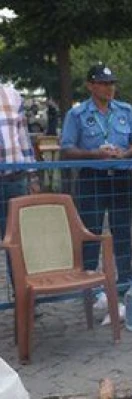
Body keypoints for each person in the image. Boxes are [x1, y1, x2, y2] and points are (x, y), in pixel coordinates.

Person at [60, 64, 132, 287]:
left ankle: (125, 281)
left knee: (122, 231)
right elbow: (67, 148)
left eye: (111, 83)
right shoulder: (77, 114)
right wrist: (93, 154)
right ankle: (90, 283)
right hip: (92, 177)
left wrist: (124, 154)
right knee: (90, 231)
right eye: (103, 83)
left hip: (120, 178)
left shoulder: (125, 110)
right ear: (90, 85)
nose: (109, 88)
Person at [1, 84, 41, 284]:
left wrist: (33, 175)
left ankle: (23, 300)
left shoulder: (12, 94)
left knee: (18, 242)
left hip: (15, 179)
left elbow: (23, 137)